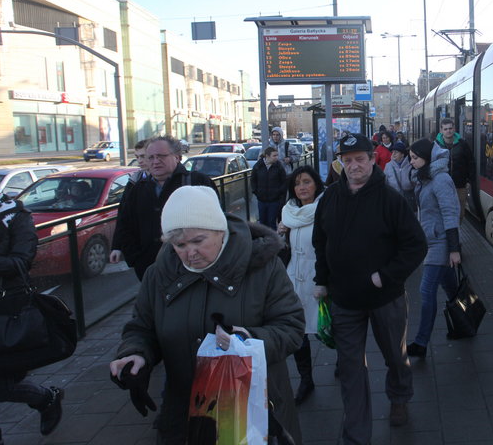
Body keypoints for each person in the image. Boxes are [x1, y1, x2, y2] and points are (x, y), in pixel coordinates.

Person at [109, 185, 305, 444]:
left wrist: (248, 339)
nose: (190, 252)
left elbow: (291, 326)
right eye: (179, 244)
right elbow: (142, 327)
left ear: (220, 231)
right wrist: (135, 353)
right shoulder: (157, 275)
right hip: (185, 412)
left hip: (254, 412)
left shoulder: (264, 268)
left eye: (198, 241)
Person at [312, 133, 427, 444]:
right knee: (351, 369)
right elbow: (320, 241)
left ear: (373, 159)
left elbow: (416, 245)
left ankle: (400, 396)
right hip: (344, 299)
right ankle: (356, 436)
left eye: (359, 159)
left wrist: (386, 276)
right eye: (346, 161)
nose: (353, 166)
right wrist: (321, 280)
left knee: (394, 355)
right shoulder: (331, 198)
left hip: (384, 298)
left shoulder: (390, 199)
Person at [0, 192, 64, 440]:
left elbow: (21, 261)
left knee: (4, 384)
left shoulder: (14, 215)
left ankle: (46, 398)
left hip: (6, 310)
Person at [110, 135, 217, 280]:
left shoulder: (198, 182)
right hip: (148, 268)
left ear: (177, 157)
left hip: (191, 266)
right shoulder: (138, 189)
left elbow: (216, 223)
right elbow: (126, 224)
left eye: (161, 156)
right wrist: (136, 260)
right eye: (151, 157)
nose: (155, 162)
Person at [405, 138, 461, 358]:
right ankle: (464, 322)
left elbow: (450, 213)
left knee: (426, 291)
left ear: (427, 158)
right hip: (431, 240)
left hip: (441, 242)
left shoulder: (441, 180)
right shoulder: (426, 177)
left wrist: (454, 249)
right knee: (452, 290)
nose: (411, 162)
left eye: (414, 158)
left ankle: (421, 342)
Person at [278, 165, 325, 406]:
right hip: (293, 277)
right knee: (299, 331)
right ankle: (306, 379)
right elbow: (282, 248)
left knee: (330, 326)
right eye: (297, 183)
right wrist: (280, 235)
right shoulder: (288, 212)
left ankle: (344, 363)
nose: (302, 187)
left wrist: (326, 280)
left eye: (307, 181)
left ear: (316, 184)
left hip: (319, 277)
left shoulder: (326, 209)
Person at [110, 139, 149, 265]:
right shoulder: (134, 181)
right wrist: (117, 246)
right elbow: (123, 215)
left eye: (143, 156)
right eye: (137, 157)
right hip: (140, 250)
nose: (140, 160)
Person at [435, 118, 475, 220]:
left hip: (460, 186)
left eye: (450, 128)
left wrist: (469, 180)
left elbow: (470, 162)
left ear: (454, 129)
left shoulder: (462, 144)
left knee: (460, 214)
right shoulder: (436, 145)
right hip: (442, 186)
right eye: (445, 129)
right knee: (444, 213)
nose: (448, 131)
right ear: (441, 130)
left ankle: (456, 233)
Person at [250, 146, 288, 230]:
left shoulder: (278, 166)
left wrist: (279, 193)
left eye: (277, 155)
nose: (276, 158)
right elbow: (253, 180)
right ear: (267, 156)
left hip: (274, 200)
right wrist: (256, 192)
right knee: (262, 222)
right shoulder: (258, 166)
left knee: (272, 221)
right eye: (274, 155)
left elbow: (284, 181)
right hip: (262, 199)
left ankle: (273, 241)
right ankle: (263, 240)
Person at [384, 140, 415, 211]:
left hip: (409, 198)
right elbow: (385, 182)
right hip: (394, 197)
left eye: (396, 152)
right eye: (392, 152)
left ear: (402, 154)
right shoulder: (388, 165)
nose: (393, 154)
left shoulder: (410, 164)